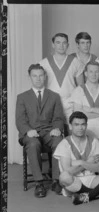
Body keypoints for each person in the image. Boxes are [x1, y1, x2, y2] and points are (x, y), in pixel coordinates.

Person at [15, 64, 65, 198]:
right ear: (29, 77)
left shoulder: (54, 96)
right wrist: (27, 131)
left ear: (45, 77)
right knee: (33, 144)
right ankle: (39, 183)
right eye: (34, 76)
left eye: (41, 75)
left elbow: (59, 117)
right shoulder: (22, 97)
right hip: (31, 133)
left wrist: (57, 129)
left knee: (59, 141)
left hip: (48, 132)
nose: (38, 79)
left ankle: (56, 180)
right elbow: (20, 120)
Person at [53, 111, 99, 205]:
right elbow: (68, 171)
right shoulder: (64, 144)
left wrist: (78, 163)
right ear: (70, 126)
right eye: (76, 125)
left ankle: (88, 196)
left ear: (86, 125)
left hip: (92, 179)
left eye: (83, 124)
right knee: (64, 176)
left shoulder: (94, 142)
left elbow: (98, 168)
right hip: (74, 181)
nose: (80, 128)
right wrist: (86, 162)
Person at [39, 33, 84, 116]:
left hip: (71, 103)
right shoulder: (43, 63)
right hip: (51, 103)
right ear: (53, 45)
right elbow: (39, 86)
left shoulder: (76, 62)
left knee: (72, 128)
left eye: (64, 43)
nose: (61, 45)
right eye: (58, 42)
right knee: (54, 128)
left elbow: (81, 87)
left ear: (68, 45)